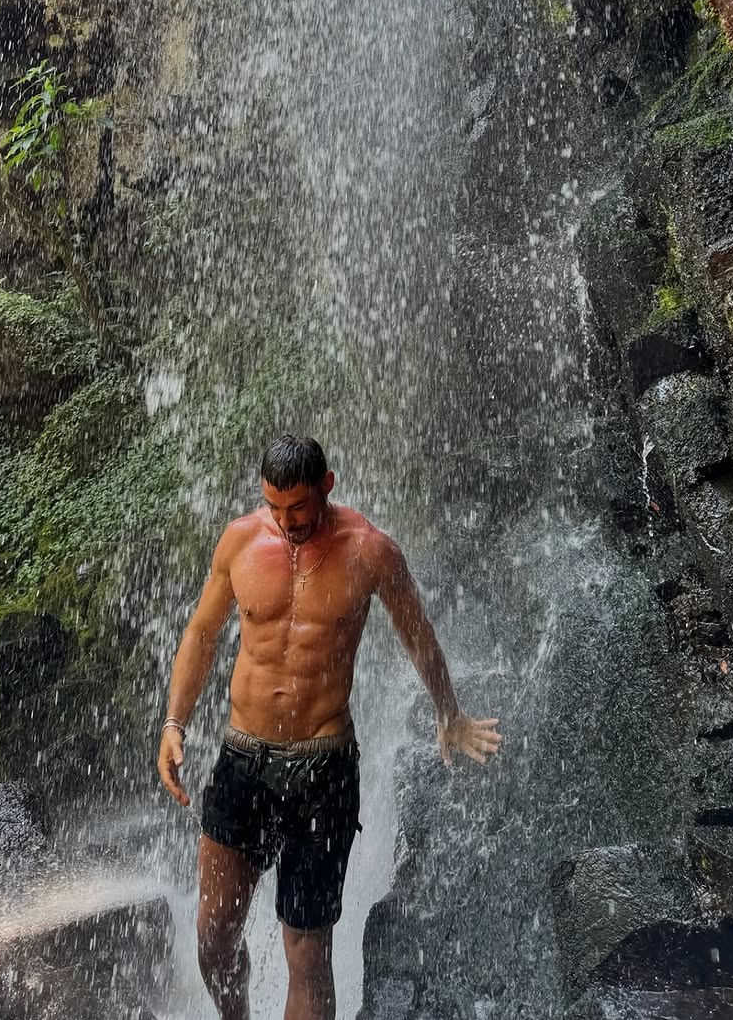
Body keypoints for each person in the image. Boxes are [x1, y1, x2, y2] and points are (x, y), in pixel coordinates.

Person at [157, 435, 500, 1020]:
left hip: (324, 770)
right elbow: (201, 633)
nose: (287, 522)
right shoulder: (241, 540)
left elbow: (417, 634)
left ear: (327, 486)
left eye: (298, 508)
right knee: (214, 936)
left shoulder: (370, 552)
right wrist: (174, 722)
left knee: (308, 953)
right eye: (275, 507)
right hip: (242, 760)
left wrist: (450, 713)